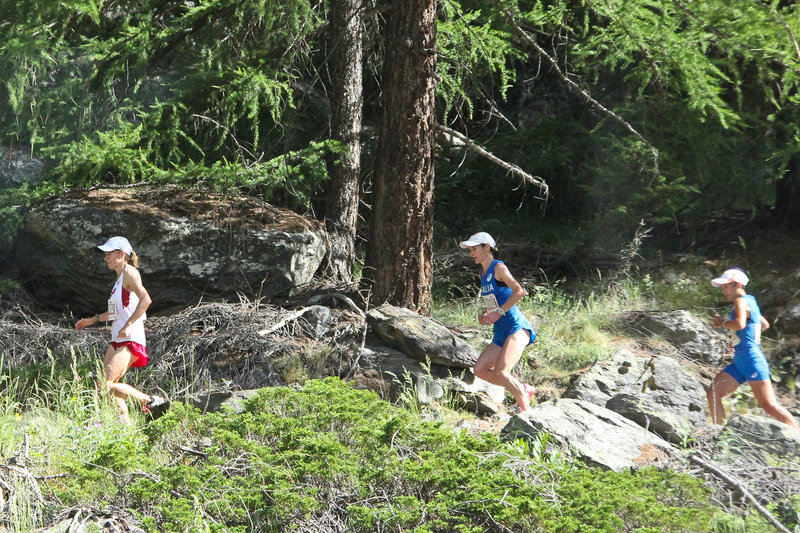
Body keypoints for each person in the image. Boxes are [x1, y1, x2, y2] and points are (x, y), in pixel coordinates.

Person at [75, 236, 168, 422]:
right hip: (118, 337)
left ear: (121, 254)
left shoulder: (130, 272)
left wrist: (128, 325)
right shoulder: (118, 281)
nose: (105, 258)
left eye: (109, 254)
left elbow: (146, 300)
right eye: (105, 254)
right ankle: (124, 426)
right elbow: (113, 313)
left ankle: (151, 400)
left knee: (107, 384)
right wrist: (91, 320)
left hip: (130, 336)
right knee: (104, 386)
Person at [707, 267, 798, 428]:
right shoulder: (751, 301)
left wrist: (722, 323)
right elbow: (764, 324)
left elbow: (740, 323)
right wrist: (740, 338)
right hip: (741, 360)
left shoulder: (740, 301)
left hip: (751, 359)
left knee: (770, 406)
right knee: (713, 394)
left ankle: (797, 438)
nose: (723, 291)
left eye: (726, 286)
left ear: (738, 284)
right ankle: (718, 437)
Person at [460, 232, 537, 413]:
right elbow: (493, 303)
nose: (472, 253)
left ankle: (526, 410)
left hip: (516, 327)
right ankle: (523, 389)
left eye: (475, 249)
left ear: (487, 247)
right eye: (470, 250)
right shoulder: (483, 273)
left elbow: (520, 291)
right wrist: (487, 315)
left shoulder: (498, 267)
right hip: (500, 331)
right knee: (479, 370)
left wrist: (500, 312)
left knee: (502, 372)